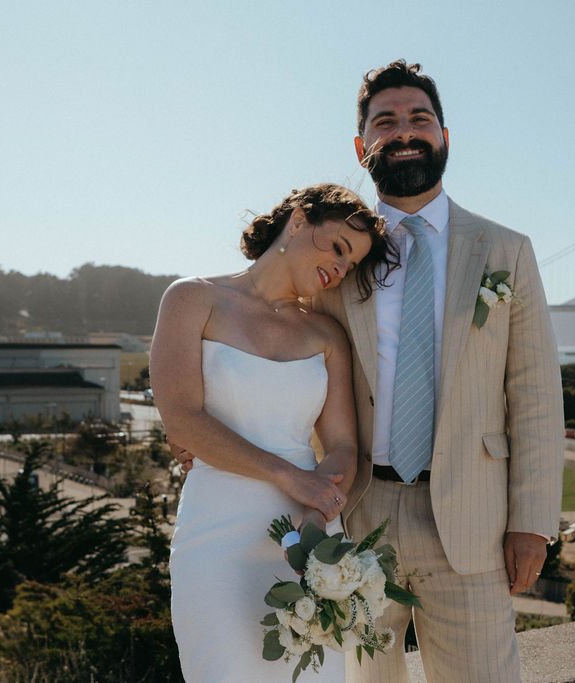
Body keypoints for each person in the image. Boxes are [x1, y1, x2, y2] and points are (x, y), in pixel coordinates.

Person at [312, 60, 566, 683]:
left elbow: (533, 394)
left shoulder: (506, 251)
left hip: (474, 521)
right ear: (361, 145)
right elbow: (290, 361)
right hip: (358, 515)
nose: (404, 132)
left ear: (444, 135)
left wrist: (532, 522)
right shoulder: (334, 256)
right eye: (386, 121)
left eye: (419, 119)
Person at [152, 183, 397, 682]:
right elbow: (183, 419)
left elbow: (344, 446)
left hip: (308, 537)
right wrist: (291, 476)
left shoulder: (327, 335)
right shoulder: (192, 298)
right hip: (216, 534)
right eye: (337, 248)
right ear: (301, 220)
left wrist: (313, 517)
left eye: (350, 265)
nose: (339, 268)